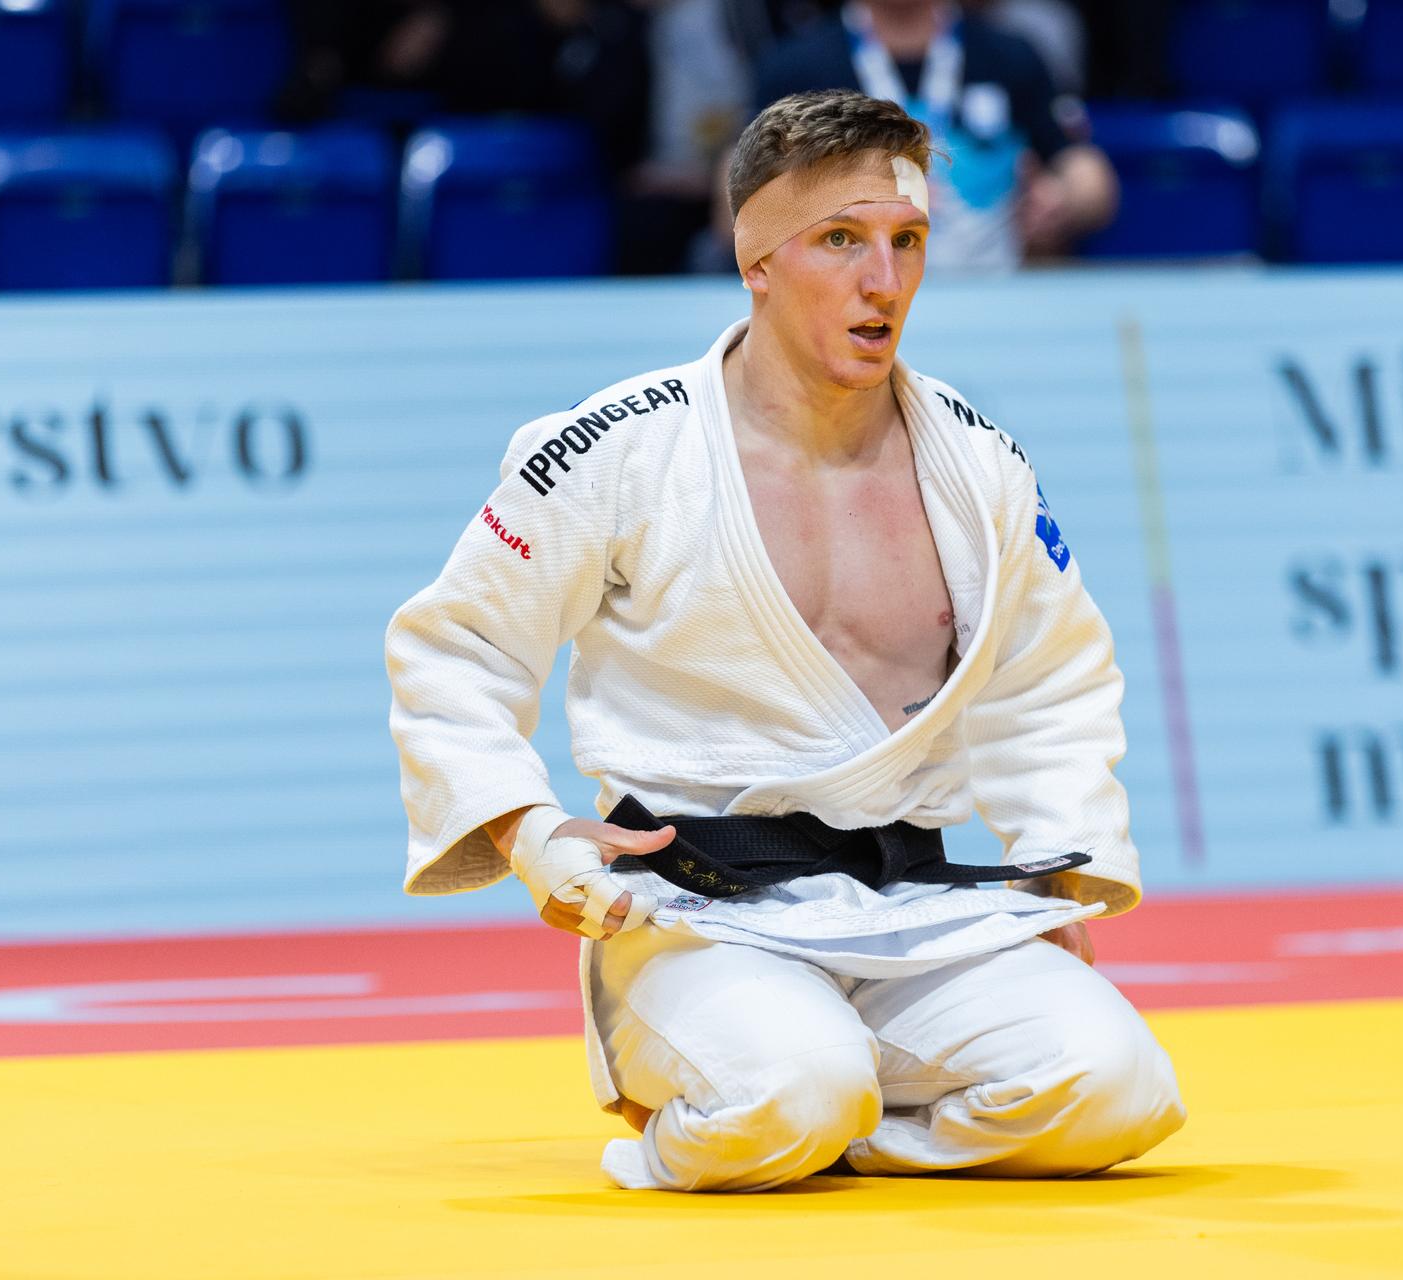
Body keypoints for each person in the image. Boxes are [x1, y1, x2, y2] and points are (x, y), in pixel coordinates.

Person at [385, 88, 1184, 1192]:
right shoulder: (619, 448)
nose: (885, 281)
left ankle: (859, 1132)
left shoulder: (976, 460)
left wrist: (1061, 868)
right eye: (842, 241)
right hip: (693, 911)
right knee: (786, 1093)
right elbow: (455, 645)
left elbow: (1049, 677)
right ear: (756, 258)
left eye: (908, 241)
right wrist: (531, 832)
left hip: (917, 908)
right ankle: (715, 1124)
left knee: (1117, 1086)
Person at [748, 0, 1118, 269]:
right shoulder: (797, 69)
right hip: (845, 304)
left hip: (992, 294)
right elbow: (735, 197)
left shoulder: (1010, 56)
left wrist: (1064, 198)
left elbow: (1086, 173)